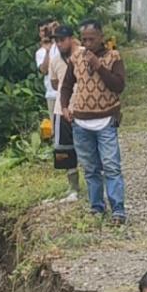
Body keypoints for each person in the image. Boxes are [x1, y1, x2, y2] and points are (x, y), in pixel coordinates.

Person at [60, 19, 127, 224]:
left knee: (111, 166)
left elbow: (118, 86)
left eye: (92, 39)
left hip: (106, 119)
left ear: (101, 37)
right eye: (84, 39)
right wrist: (64, 107)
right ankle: (96, 206)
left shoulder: (113, 57)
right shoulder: (75, 58)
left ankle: (118, 210)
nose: (88, 43)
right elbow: (66, 86)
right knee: (90, 168)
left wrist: (99, 67)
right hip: (81, 122)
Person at [48, 25, 82, 198]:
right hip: (62, 110)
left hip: (84, 109)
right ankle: (73, 187)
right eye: (57, 41)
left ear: (71, 39)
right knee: (64, 150)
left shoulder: (83, 54)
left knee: (89, 148)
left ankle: (97, 185)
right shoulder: (55, 60)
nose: (59, 44)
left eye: (62, 40)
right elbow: (54, 83)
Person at [35, 18, 60, 114]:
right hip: (52, 94)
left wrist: (58, 31)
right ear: (39, 34)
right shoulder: (40, 52)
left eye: (47, 30)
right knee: (55, 127)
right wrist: (48, 51)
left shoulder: (62, 44)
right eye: (42, 30)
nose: (45, 33)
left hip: (68, 92)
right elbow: (44, 71)